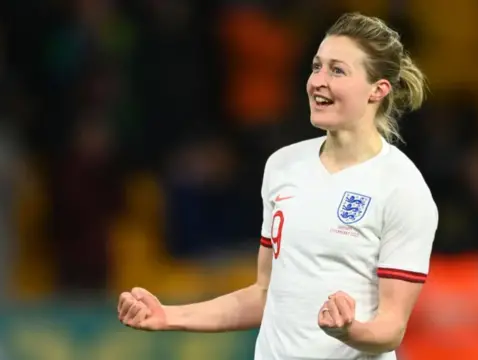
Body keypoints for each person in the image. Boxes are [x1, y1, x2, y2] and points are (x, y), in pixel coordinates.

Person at [117, 12, 438, 360]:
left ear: (378, 90)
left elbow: (391, 328)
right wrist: (169, 315)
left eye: (337, 70)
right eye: (317, 67)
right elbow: (265, 294)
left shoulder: (403, 188)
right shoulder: (283, 166)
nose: (318, 81)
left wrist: (349, 331)